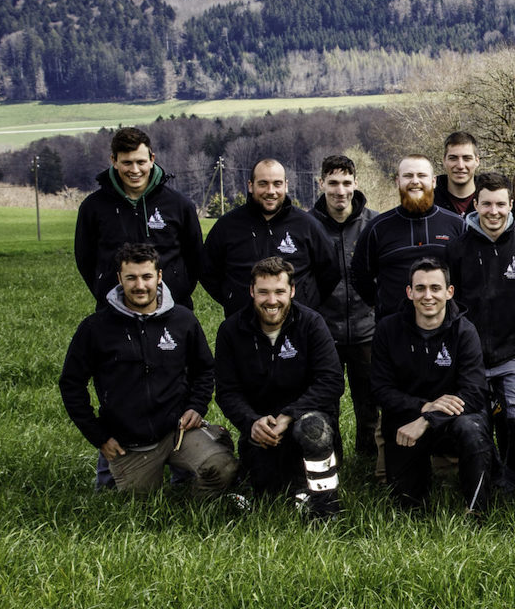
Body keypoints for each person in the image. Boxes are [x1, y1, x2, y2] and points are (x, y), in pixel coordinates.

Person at [58, 242, 236, 496]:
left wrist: (196, 406)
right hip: (130, 441)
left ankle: (191, 500)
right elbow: (71, 384)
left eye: (146, 276)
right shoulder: (95, 328)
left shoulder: (183, 320)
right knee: (136, 505)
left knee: (223, 468)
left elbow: (205, 369)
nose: (140, 285)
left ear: (159, 276)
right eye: (131, 277)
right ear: (119, 278)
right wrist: (98, 436)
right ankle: (116, 477)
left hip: (179, 432)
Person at [445, 170, 515, 497]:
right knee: (476, 424)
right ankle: (487, 480)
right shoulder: (456, 250)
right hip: (470, 359)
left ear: (511, 205)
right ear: (475, 204)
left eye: (501, 204)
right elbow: (450, 307)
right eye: (487, 204)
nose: (494, 211)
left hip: (513, 356)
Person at [214, 258, 344, 519]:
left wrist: (288, 416)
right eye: (263, 292)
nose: (271, 300)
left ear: (292, 291)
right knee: (266, 491)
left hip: (306, 422)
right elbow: (227, 392)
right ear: (252, 291)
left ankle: (325, 504)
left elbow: (331, 380)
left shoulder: (312, 323)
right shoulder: (231, 330)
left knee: (312, 429)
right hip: (262, 429)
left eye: (279, 292)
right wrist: (252, 422)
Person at [371, 259, 493, 515]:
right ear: (409, 292)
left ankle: (476, 509)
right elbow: (381, 390)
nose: (428, 296)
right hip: (407, 418)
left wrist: (428, 418)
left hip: (454, 418)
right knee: (407, 506)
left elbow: (474, 393)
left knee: (472, 429)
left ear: (449, 292)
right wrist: (423, 407)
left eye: (435, 288)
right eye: (420, 288)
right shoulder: (387, 330)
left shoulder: (465, 331)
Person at [73, 126, 206, 311]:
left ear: (152, 159)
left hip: (173, 309)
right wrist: (104, 287)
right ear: (114, 161)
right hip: (113, 311)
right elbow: (85, 259)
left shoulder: (179, 205)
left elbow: (196, 258)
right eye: (127, 163)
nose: (134, 170)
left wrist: (178, 289)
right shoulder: (93, 207)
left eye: (141, 162)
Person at [201, 158, 338, 318]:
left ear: (286, 185)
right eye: (263, 184)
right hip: (242, 324)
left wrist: (307, 302)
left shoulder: (308, 225)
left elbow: (331, 272)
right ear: (250, 186)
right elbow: (207, 271)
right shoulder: (227, 226)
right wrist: (232, 298)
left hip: (296, 324)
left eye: (277, 184)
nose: (271, 191)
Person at [310, 154, 380, 457]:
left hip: (368, 329)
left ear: (356, 183)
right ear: (321, 183)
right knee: (326, 402)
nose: (341, 190)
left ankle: (368, 458)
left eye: (347, 182)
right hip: (323, 330)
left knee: (370, 402)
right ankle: (332, 457)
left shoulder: (375, 224)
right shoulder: (307, 225)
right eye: (333, 183)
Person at [352, 153, 467, 318]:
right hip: (393, 328)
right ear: (398, 181)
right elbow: (358, 275)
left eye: (422, 175)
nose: (415, 181)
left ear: (433, 181)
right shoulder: (377, 228)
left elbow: (469, 277)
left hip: (446, 327)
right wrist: (381, 304)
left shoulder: (457, 225)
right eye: (408, 176)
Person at [436, 132, 482, 219]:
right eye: (453, 158)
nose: (460, 166)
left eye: (466, 158)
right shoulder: (429, 200)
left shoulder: (490, 200)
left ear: (477, 161)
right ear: (444, 161)